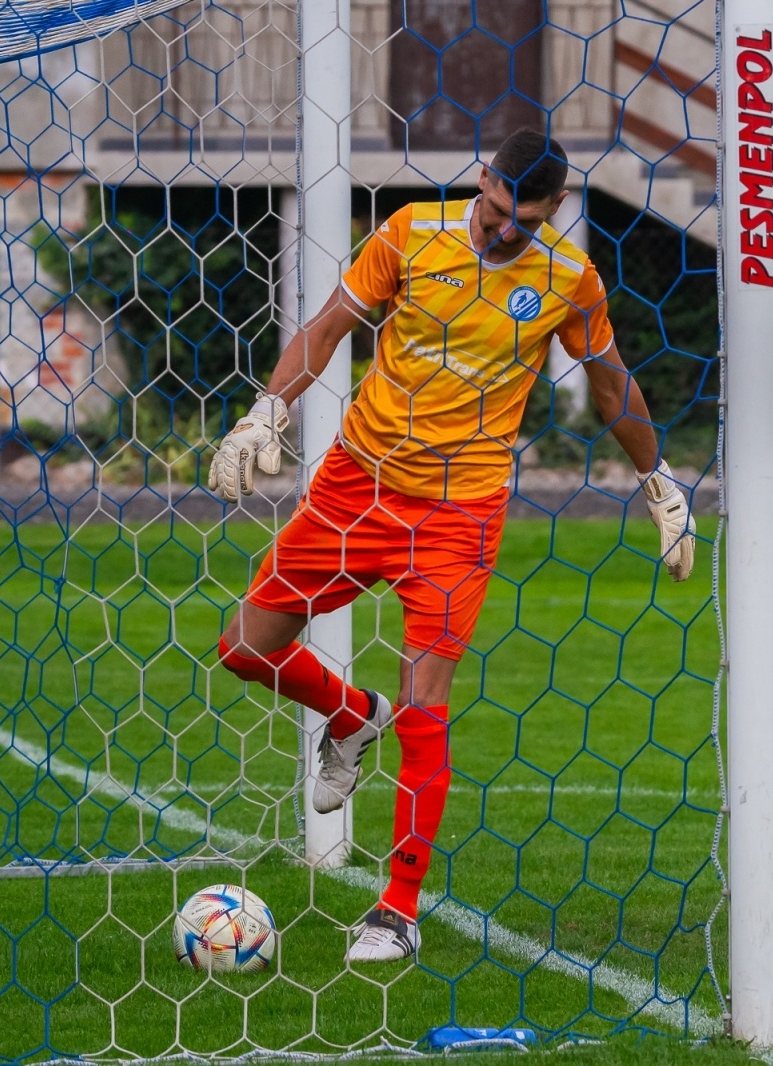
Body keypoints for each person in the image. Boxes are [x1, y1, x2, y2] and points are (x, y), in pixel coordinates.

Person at [208, 129, 696, 964]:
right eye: (501, 212)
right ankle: (351, 715)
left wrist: (660, 484)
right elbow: (328, 327)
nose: (507, 233)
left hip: (459, 513)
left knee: (427, 701)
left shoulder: (567, 282)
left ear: (553, 215)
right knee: (245, 648)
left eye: (528, 223)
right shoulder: (409, 233)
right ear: (484, 181)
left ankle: (397, 909)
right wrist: (268, 411)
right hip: (355, 485)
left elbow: (612, 385)